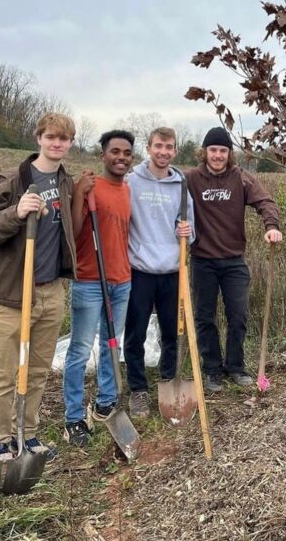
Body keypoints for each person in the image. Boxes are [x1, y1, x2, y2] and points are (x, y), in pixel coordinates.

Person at [0, 112, 77, 475]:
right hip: (10, 296)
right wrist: (16, 212)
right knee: (5, 373)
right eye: (51, 137)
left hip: (50, 292)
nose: (57, 143)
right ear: (39, 138)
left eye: (64, 139)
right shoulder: (11, 180)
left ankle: (28, 434)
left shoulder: (66, 182)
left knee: (36, 371)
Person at [185, 127, 282, 392]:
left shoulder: (241, 178)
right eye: (213, 150)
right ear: (204, 152)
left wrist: (271, 225)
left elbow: (265, 201)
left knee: (238, 315)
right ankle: (212, 369)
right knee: (205, 317)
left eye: (223, 151)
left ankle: (236, 367)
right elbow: (167, 193)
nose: (217, 155)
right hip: (202, 261)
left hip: (234, 261)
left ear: (230, 154)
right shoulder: (191, 179)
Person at [62, 130, 135, 446]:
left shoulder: (127, 191)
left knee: (111, 344)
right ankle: (73, 418)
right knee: (79, 350)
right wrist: (79, 195)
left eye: (127, 153)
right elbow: (74, 230)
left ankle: (105, 402)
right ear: (103, 154)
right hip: (90, 281)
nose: (121, 157)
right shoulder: (90, 186)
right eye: (115, 151)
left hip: (121, 279)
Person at [123, 127, 194, 418]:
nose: (164, 152)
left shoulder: (181, 185)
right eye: (159, 146)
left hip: (172, 271)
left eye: (169, 147)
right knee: (135, 333)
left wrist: (187, 232)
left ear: (175, 151)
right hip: (140, 270)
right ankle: (138, 390)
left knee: (171, 332)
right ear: (149, 147)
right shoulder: (132, 182)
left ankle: (168, 380)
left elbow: (190, 227)